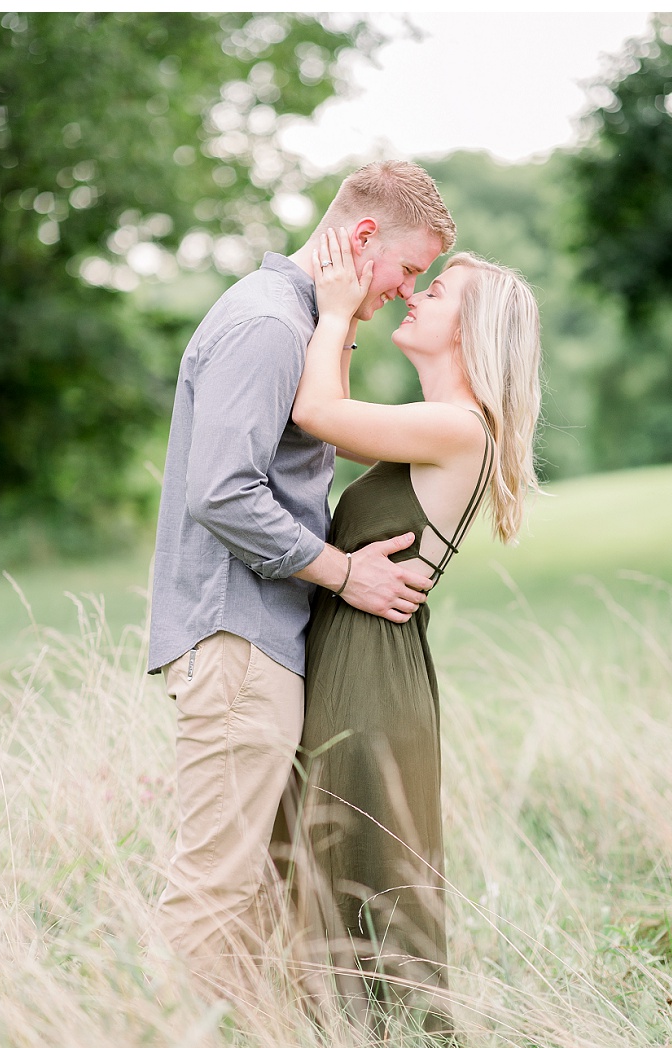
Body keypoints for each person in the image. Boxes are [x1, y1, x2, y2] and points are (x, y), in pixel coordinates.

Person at [147, 162, 456, 995]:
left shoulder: (298, 320)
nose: (405, 288)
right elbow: (222, 491)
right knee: (216, 885)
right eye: (407, 269)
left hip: (257, 640)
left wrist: (340, 321)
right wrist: (342, 573)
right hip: (238, 636)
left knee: (251, 890)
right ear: (363, 239)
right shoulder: (268, 327)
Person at [279, 227, 543, 1044]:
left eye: (441, 293)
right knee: (336, 866)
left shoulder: (460, 428)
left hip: (371, 672)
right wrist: (346, 325)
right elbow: (342, 416)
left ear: (470, 332)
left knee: (359, 868)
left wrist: (335, 311)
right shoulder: (440, 421)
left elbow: (318, 413)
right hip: (361, 658)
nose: (419, 292)